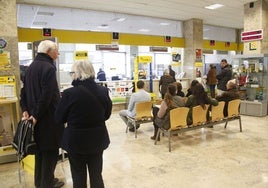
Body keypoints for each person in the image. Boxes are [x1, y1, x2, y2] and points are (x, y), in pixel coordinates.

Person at [55, 59, 112, 188]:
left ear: (77, 73)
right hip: (97, 138)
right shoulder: (103, 91)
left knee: (78, 176)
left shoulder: (69, 93)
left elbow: (59, 118)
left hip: (76, 141)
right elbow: (107, 115)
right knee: (96, 175)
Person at [20, 40, 64, 188]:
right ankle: (47, 184)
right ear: (49, 51)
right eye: (56, 50)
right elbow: (47, 95)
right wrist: (37, 115)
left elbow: (23, 92)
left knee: (40, 154)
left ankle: (40, 182)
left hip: (35, 118)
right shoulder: (49, 68)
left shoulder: (30, 68)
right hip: (48, 120)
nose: (58, 53)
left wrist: (26, 110)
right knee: (50, 154)